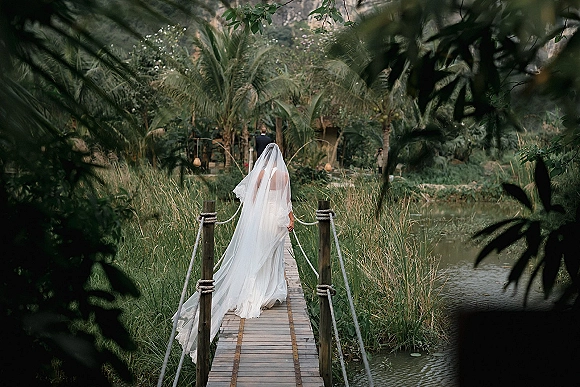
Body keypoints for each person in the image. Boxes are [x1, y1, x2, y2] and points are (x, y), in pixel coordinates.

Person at [174, 143, 294, 362]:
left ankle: (257, 291)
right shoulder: (284, 176)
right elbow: (287, 201)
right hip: (276, 218)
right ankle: (269, 292)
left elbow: (253, 199)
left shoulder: (259, 175)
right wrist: (290, 219)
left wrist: (252, 220)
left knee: (258, 253)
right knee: (272, 255)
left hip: (261, 219)